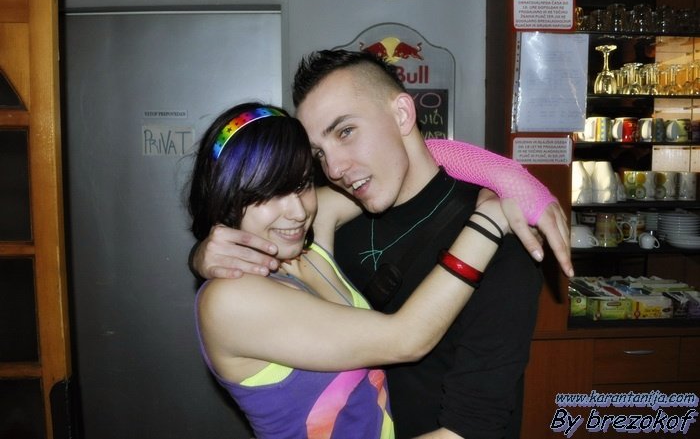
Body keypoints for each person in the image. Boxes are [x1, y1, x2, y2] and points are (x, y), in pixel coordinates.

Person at [192, 50, 573, 438]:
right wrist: (203, 250)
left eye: (345, 132)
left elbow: (473, 428)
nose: (333, 169)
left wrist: (512, 179)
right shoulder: (315, 236)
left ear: (403, 115)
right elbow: (406, 338)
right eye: (319, 154)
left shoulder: (500, 250)